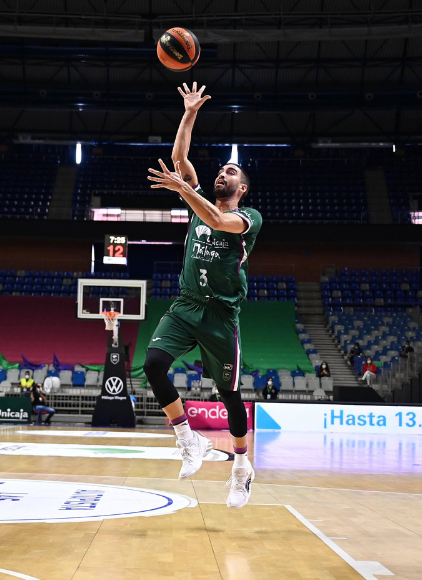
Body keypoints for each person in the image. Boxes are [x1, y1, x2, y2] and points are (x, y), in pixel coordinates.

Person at [143, 82, 262, 509]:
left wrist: (183, 190)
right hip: (187, 303)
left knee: (229, 395)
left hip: (220, 315)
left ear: (242, 188)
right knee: (153, 364)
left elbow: (214, 217)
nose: (222, 174)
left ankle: (242, 469)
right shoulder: (198, 198)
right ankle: (187, 438)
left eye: (232, 173)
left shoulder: (248, 217)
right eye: (221, 170)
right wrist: (189, 111)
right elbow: (179, 160)